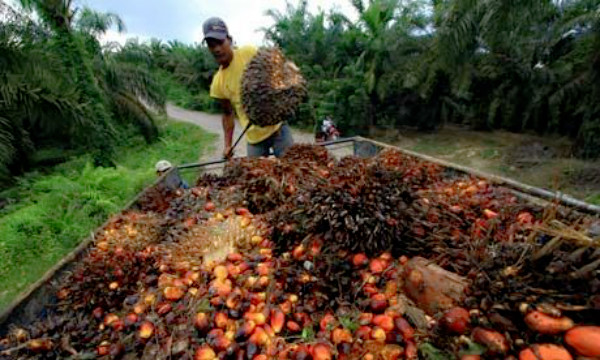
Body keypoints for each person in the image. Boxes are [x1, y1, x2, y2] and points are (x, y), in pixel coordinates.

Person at [203, 17, 294, 158]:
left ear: (230, 40)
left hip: (278, 129)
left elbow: (275, 69)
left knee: (294, 168)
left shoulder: (248, 53)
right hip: (254, 139)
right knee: (254, 177)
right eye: (211, 45)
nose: (217, 49)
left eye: (220, 42)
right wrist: (227, 145)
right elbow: (227, 114)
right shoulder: (218, 83)